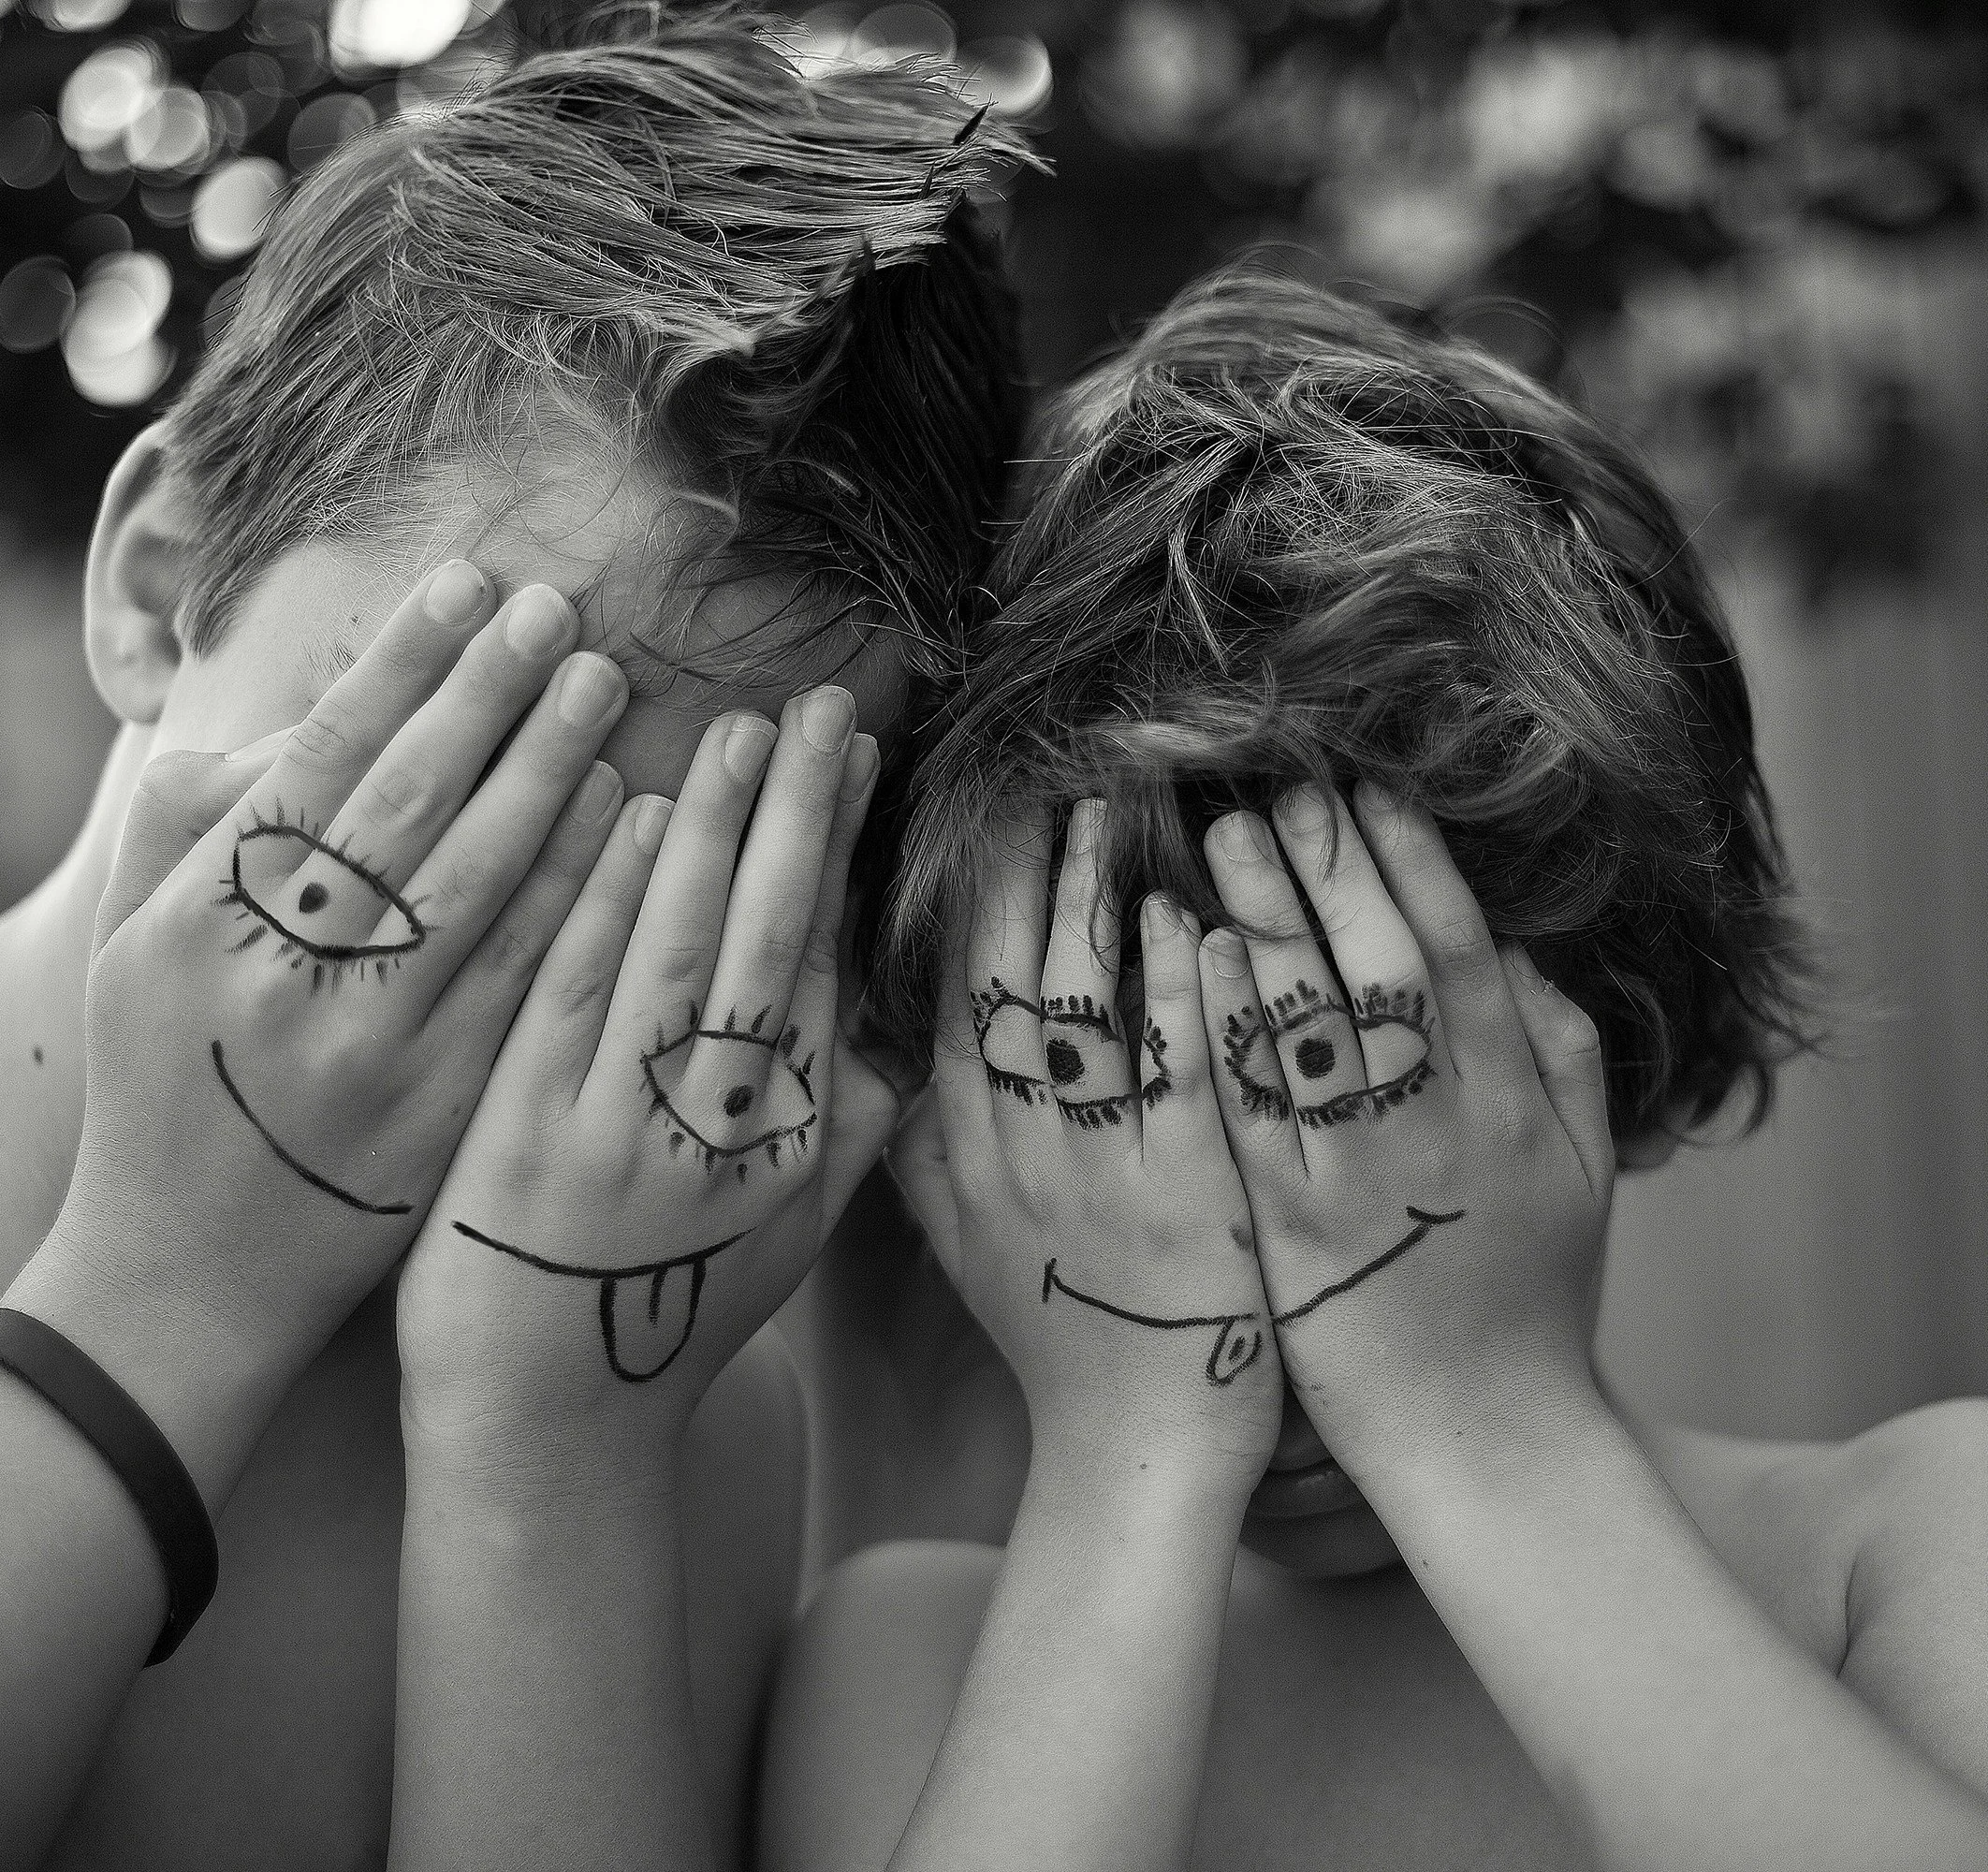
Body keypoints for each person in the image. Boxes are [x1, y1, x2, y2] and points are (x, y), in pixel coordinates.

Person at [0, 6, 1022, 1865]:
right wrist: (164, 1294)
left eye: (695, 910)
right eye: (456, 789)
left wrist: (554, 1472)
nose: (521, 981)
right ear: (156, 586)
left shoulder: (676, 1402)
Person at [753, 271, 1988, 1869]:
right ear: (960, 1142)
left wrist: (1480, 1419)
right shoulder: (914, 1664)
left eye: (1352, 1085)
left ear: (1622, 1041)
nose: (1272, 1279)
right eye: (1119, 1114)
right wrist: (1132, 1466)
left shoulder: (1904, 1546)